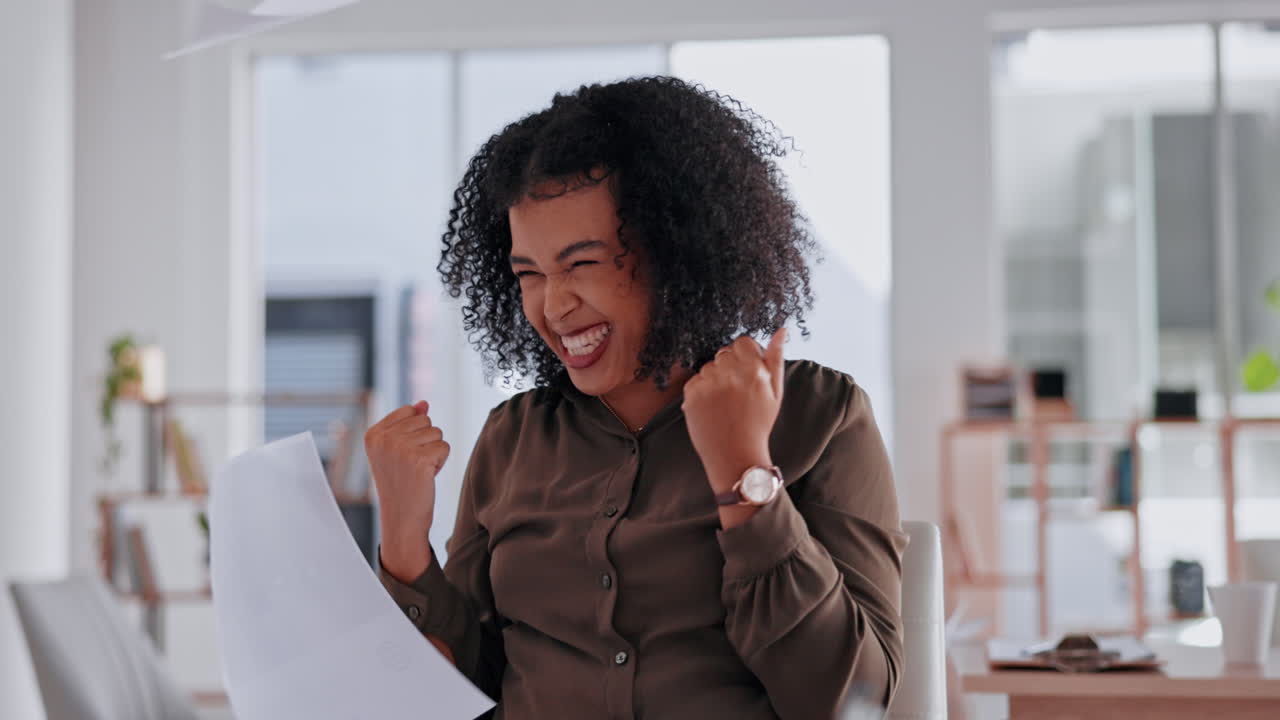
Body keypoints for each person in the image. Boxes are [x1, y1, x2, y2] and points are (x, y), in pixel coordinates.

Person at [364, 76, 905, 720]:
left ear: (678, 251)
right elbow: (465, 690)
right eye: (529, 274)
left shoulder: (819, 417)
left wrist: (743, 474)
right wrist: (403, 539)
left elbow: (854, 702)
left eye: (584, 263)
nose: (553, 306)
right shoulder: (512, 439)